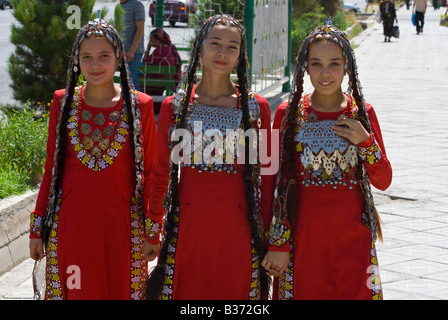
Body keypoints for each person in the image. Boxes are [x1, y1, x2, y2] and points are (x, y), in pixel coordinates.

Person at [144, 14, 274, 300]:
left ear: (241, 55)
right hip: (188, 231)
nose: (222, 53)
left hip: (240, 233)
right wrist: (153, 228)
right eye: (215, 43)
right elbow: (160, 172)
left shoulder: (258, 108)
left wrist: (271, 241)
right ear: (199, 47)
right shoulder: (173, 106)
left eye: (232, 46)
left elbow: (269, 178)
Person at [28, 18, 157, 300]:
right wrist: (38, 227)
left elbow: (151, 172)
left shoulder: (141, 106)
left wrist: (152, 231)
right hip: (72, 225)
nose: (95, 65)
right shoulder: (63, 102)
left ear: (119, 59)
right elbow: (51, 169)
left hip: (124, 229)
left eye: (104, 56)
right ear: (77, 61)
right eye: (87, 57)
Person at [267, 18, 392, 300]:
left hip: (353, 240)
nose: (326, 73)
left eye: (334, 63)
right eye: (316, 64)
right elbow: (274, 182)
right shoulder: (287, 114)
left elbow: (383, 181)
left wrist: (366, 143)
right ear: (305, 67)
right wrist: (278, 241)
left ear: (347, 66)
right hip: (303, 239)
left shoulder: (363, 114)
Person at [142, 28, 182, 114]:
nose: (150, 41)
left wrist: (148, 48)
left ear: (158, 40)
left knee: (139, 78)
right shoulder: (170, 48)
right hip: (169, 80)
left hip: (157, 81)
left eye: (152, 39)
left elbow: (145, 62)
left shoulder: (159, 50)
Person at [120, 0, 145, 91]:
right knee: (124, 81)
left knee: (129, 81)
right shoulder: (119, 6)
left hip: (133, 52)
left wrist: (132, 51)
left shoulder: (137, 5)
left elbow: (140, 30)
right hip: (122, 51)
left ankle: (136, 103)